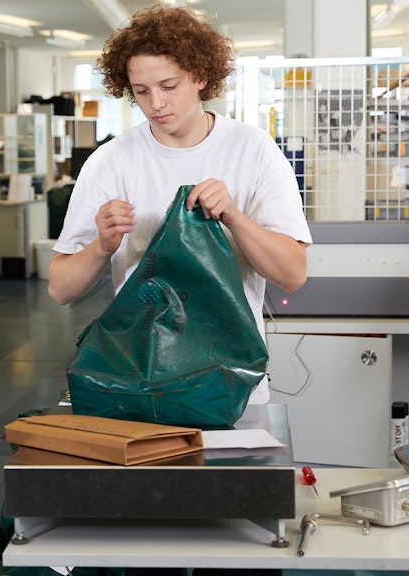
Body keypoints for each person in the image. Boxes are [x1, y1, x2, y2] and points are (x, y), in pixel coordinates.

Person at [49, 5, 312, 406]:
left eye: (169, 85)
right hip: (139, 377)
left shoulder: (253, 149)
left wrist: (234, 217)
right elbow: (60, 288)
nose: (156, 103)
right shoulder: (112, 160)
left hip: (231, 380)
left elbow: (292, 274)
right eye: (141, 91)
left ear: (201, 77)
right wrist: (102, 246)